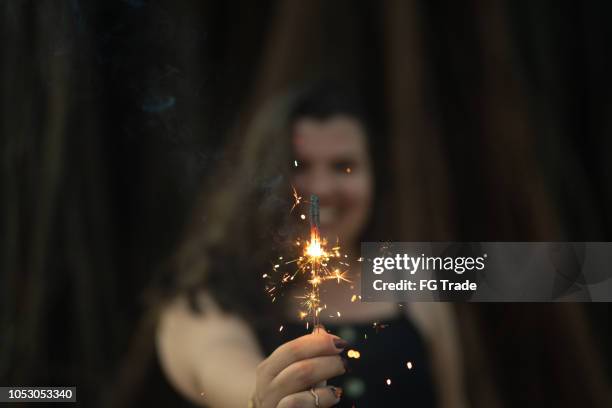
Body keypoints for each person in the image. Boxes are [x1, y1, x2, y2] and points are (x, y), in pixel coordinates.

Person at [155, 83, 468, 407]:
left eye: (343, 166)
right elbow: (220, 363)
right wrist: (265, 398)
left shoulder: (413, 280)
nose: (320, 189)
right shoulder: (208, 299)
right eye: (298, 165)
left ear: (375, 177)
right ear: (262, 175)